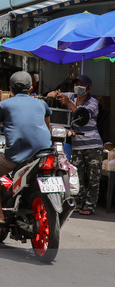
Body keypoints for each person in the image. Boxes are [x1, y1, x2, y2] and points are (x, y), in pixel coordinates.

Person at [0, 71, 52, 224]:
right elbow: (47, 128)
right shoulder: (42, 104)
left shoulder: (4, 104)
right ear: (31, 88)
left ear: (10, 89)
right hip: (44, 152)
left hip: (18, 155)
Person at [47, 74, 102, 215]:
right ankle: (78, 203)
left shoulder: (93, 103)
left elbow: (82, 118)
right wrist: (56, 94)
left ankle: (89, 206)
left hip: (92, 146)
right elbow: (51, 94)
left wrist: (69, 103)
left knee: (93, 178)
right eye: (76, 83)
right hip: (77, 145)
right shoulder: (71, 96)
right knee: (77, 176)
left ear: (89, 88)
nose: (78, 87)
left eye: (82, 84)